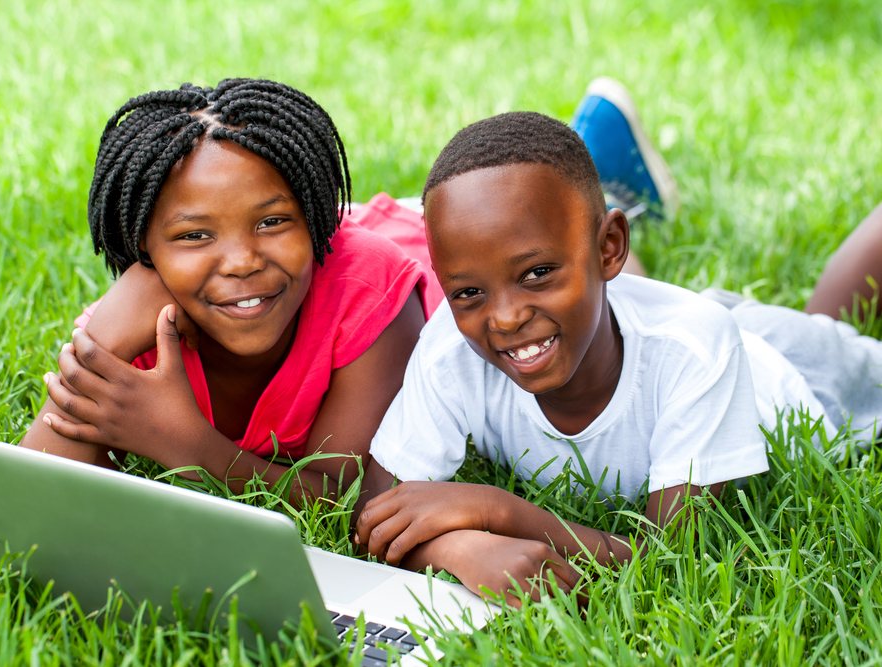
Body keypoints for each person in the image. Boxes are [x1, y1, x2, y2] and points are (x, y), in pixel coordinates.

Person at [353, 81, 882, 608]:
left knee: (830, 322)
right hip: (637, 318)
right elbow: (377, 512)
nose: (506, 317)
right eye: (469, 291)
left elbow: (672, 562)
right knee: (594, 299)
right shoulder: (451, 343)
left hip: (797, 377)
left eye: (536, 272)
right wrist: (460, 548)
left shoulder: (696, 348)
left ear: (611, 248)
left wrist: (495, 511)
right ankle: (610, 180)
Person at [22, 79, 444, 503]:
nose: (242, 261)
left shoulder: (372, 294)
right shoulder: (135, 324)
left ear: (314, 218)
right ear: (143, 249)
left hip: (410, 242)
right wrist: (103, 344)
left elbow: (346, 497)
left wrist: (191, 446)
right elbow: (28, 497)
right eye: (194, 235)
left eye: (273, 221)